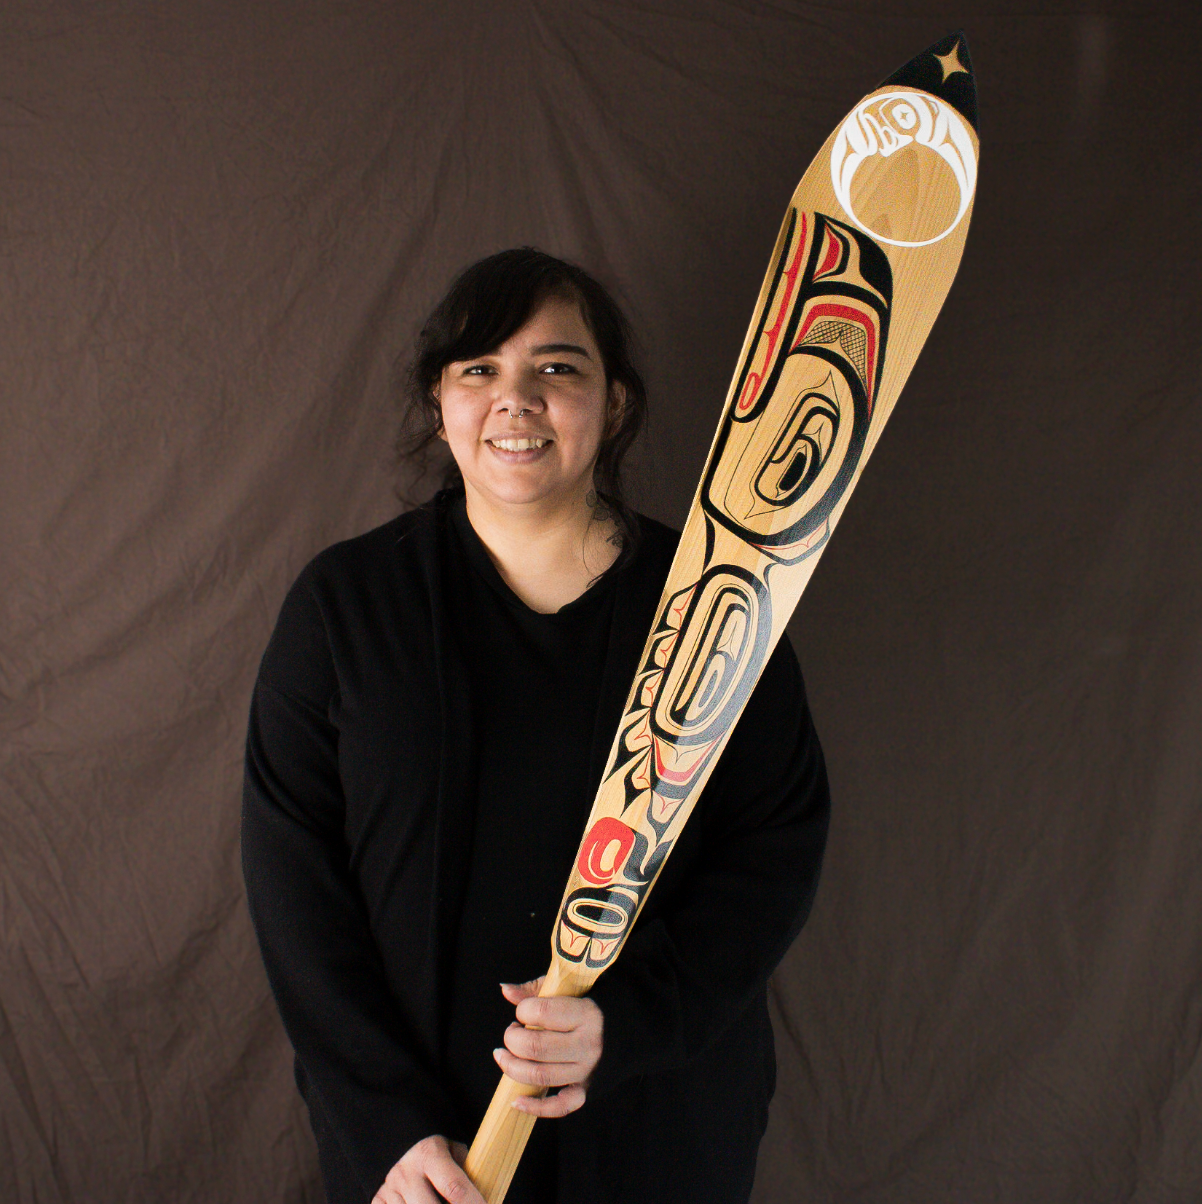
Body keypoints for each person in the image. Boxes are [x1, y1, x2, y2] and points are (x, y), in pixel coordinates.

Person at [242, 248, 831, 1204]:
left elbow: (775, 850)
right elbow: (292, 884)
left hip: (659, 1129)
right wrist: (384, 1125)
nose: (515, 398)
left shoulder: (721, 606)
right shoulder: (345, 608)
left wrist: (631, 1023)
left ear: (618, 404)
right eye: (480, 370)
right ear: (440, 405)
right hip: (425, 1160)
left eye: (557, 368)